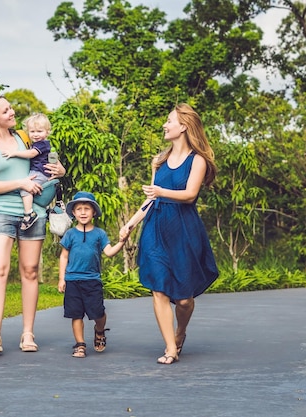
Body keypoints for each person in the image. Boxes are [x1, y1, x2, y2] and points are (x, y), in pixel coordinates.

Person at [120, 103, 219, 365]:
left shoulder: (196, 160)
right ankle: (170, 348)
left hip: (183, 230)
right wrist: (130, 224)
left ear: (183, 126)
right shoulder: (159, 161)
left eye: (169, 121)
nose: (165, 125)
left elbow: (189, 195)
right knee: (159, 290)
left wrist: (161, 192)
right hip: (155, 228)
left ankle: (180, 332)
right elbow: (150, 200)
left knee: (184, 300)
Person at [0, 95, 66, 354]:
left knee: (30, 270)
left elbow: (49, 161)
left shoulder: (25, 137)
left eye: (10, 107)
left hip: (33, 211)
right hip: (2, 210)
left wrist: (61, 171)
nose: (12, 112)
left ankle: (27, 333)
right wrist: (21, 183)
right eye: (6, 110)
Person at [57, 191, 127, 358]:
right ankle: (80, 344)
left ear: (93, 212)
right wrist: (62, 278)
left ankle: (99, 330)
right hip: (73, 280)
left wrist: (122, 242)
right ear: (73, 212)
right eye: (79, 209)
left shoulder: (99, 234)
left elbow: (109, 252)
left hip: (92, 281)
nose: (83, 212)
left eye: (87, 209)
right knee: (76, 313)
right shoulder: (70, 234)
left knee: (98, 313)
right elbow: (64, 256)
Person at [1, 113, 55, 231]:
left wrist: (14, 152)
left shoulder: (42, 144)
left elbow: (31, 154)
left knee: (26, 189)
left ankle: (29, 214)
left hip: (40, 172)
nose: (35, 135)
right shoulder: (36, 143)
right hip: (39, 171)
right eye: (32, 131)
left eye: (39, 131)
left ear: (47, 132)